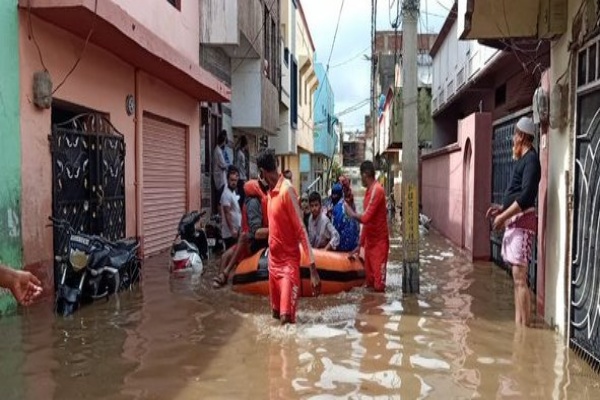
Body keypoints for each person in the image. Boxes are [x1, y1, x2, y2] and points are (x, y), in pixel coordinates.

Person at [486, 116, 541, 327]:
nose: (513, 139)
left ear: (523, 137)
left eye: (515, 135)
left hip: (522, 224)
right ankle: (520, 326)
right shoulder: (524, 160)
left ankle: (524, 328)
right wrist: (502, 208)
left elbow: (526, 196)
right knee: (517, 279)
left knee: (520, 279)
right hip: (516, 223)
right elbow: (517, 194)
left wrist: (503, 216)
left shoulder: (532, 161)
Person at [256, 150, 321, 325]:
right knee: (275, 316)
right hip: (272, 265)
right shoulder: (270, 194)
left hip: (288, 266)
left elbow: (301, 230)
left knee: (286, 320)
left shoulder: (287, 191)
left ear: (262, 172)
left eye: (259, 174)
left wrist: (313, 269)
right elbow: (276, 228)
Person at [213, 177, 270, 288]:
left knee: (242, 238)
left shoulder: (255, 200)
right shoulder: (253, 201)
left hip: (253, 240)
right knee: (225, 255)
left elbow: (255, 230)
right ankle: (223, 278)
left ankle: (225, 275)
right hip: (250, 238)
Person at [344, 161, 389, 292]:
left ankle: (378, 310)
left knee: (379, 286)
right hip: (369, 244)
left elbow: (365, 218)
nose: (360, 178)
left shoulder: (377, 190)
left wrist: (351, 213)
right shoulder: (369, 191)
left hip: (380, 245)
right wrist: (360, 244)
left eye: (361, 175)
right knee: (369, 284)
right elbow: (367, 223)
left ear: (366, 174)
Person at [330, 183, 360, 252]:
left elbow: (335, 233)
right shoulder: (347, 206)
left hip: (343, 248)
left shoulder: (336, 209)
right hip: (354, 245)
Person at [220, 165, 242, 250]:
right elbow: (227, 213)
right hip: (230, 233)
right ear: (228, 180)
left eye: (235, 180)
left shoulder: (232, 192)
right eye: (232, 180)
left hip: (235, 231)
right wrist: (232, 230)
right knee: (230, 255)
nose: (234, 182)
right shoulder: (226, 194)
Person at [213, 130, 230, 207]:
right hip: (220, 178)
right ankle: (220, 214)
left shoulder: (219, 150)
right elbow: (223, 164)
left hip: (221, 177)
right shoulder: (218, 151)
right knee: (220, 198)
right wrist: (227, 167)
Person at [235, 136, 249, 208]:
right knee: (241, 196)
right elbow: (237, 166)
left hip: (243, 177)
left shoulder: (242, 153)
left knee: (243, 196)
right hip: (240, 178)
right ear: (245, 144)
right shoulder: (240, 154)